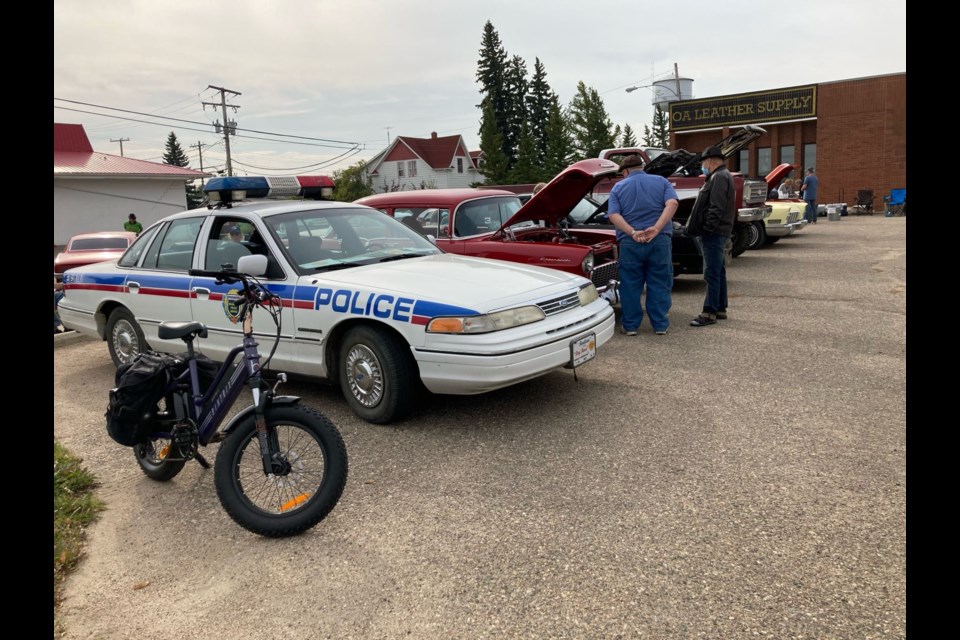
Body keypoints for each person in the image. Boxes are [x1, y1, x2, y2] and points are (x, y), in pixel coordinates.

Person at [606, 154, 679, 336]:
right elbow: (672, 203)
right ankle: (660, 324)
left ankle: (630, 326)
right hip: (659, 240)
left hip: (631, 243)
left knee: (630, 284)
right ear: (642, 167)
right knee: (660, 282)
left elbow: (614, 215)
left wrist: (632, 232)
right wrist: (656, 228)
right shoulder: (661, 181)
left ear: (625, 171)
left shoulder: (618, 187)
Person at [685, 145, 735, 327]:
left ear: (711, 161)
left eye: (704, 162)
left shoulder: (719, 177)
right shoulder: (721, 176)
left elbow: (716, 207)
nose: (703, 166)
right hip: (719, 231)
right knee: (718, 271)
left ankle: (709, 312)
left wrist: (707, 229)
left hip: (714, 233)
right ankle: (720, 307)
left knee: (711, 273)